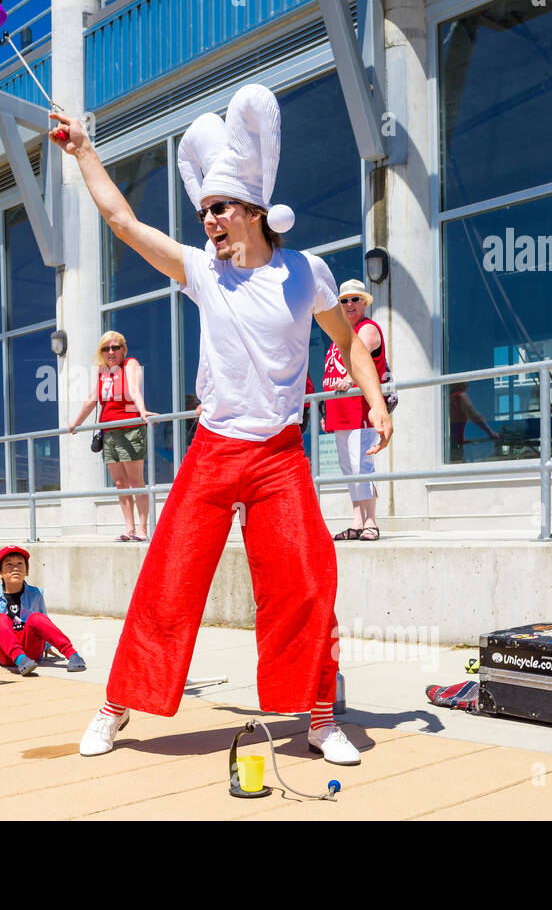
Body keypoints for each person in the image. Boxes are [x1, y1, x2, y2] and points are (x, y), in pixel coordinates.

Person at [51, 84, 392, 763]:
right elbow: (123, 222)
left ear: (255, 211)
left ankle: (321, 717)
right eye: (204, 209)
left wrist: (376, 398)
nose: (209, 220)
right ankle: (113, 706)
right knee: (169, 580)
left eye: (221, 209)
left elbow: (346, 340)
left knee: (309, 574)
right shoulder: (202, 272)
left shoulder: (307, 274)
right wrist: (85, 151)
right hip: (213, 451)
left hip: (279, 455)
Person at [69, 331, 155, 541]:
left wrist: (142, 411)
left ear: (123, 350)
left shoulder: (130, 364)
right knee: (119, 482)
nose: (111, 352)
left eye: (115, 347)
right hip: (108, 431)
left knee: (136, 481)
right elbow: (91, 399)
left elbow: (134, 390)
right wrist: (76, 423)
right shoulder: (102, 371)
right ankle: (129, 529)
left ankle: (143, 529)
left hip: (129, 427)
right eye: (106, 348)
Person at [322, 279, 387, 542]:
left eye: (354, 299)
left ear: (364, 302)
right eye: (344, 300)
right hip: (341, 413)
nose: (349, 304)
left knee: (362, 465)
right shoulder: (340, 335)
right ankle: (357, 521)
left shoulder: (367, 329)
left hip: (360, 411)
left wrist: (350, 380)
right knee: (348, 468)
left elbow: (360, 359)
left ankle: (371, 522)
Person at [0, 545, 86, 675]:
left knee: (36, 617)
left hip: (30, 651)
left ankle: (72, 654)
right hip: (5, 653)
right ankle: (20, 659)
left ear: (27, 570)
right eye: (9, 564)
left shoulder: (36, 593)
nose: (15, 568)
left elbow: (44, 623)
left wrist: (47, 647)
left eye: (20, 563)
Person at [448, 382, 499, 462]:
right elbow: (475, 416)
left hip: (448, 444)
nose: (467, 388)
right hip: (456, 444)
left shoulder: (445, 398)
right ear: (460, 385)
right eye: (466, 385)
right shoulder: (460, 396)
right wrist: (491, 433)